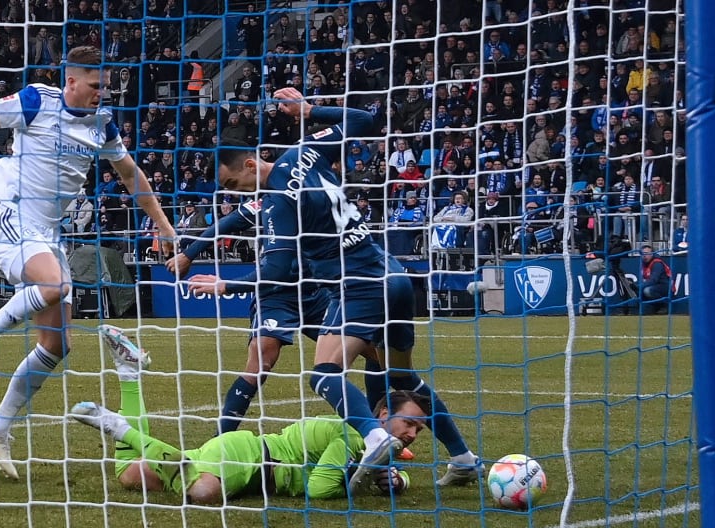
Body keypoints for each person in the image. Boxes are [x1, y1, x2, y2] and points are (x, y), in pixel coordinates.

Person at [196, 88, 481, 492]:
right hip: (394, 275)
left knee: (324, 373)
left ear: (247, 164)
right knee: (402, 374)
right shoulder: (302, 151)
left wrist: (226, 284)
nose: (237, 193)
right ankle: (464, 458)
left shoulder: (278, 200)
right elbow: (365, 120)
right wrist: (310, 110)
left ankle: (374, 435)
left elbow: (276, 273)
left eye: (234, 184)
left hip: (358, 284)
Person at [0, 45, 175, 480]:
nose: (102, 94)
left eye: (106, 87)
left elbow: (131, 173)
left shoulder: (103, 123)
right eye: (95, 86)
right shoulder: (38, 100)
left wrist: (164, 226)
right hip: (13, 218)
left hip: (49, 235)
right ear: (71, 82)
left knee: (57, 345)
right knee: (56, 284)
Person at [70, 326, 431, 503]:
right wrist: (358, 480)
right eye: (408, 423)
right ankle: (118, 427)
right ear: (381, 414)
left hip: (247, 458)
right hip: (252, 458)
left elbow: (389, 472)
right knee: (203, 492)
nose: (412, 434)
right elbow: (320, 490)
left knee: (129, 475)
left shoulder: (377, 446)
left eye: (419, 430)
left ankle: (129, 374)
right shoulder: (353, 437)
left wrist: (398, 482)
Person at [166, 198, 388, 436]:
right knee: (261, 360)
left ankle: (377, 429)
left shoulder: (323, 200)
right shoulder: (269, 201)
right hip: (275, 296)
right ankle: (218, 443)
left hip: (317, 292)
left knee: (376, 352)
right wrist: (188, 255)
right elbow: (227, 223)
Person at [640, 245, 672, 309]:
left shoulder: (657, 264)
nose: (644, 256)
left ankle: (664, 306)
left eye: (647, 253)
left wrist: (639, 287)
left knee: (647, 290)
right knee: (640, 291)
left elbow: (654, 280)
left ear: (652, 254)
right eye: (643, 254)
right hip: (655, 286)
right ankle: (654, 307)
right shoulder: (644, 264)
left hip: (665, 286)